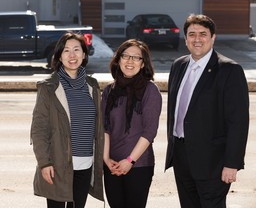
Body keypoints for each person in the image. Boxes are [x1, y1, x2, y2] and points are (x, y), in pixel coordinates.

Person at [165, 14, 249, 208]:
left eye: (203, 34)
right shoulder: (178, 66)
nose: (197, 39)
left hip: (213, 163)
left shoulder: (229, 70)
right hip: (181, 156)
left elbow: (238, 122)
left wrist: (232, 163)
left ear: (213, 37)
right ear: (185, 38)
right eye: (191, 34)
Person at [30, 32, 104, 208]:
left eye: (77, 50)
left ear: (84, 54)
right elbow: (39, 129)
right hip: (57, 164)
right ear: (59, 56)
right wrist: (44, 162)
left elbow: (98, 127)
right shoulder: (49, 87)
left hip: (85, 164)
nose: (72, 55)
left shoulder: (92, 86)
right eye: (66, 50)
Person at [101, 39, 162, 208]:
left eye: (136, 58)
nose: (130, 61)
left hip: (139, 165)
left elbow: (149, 132)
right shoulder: (109, 91)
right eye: (125, 56)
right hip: (111, 164)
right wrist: (106, 159)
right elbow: (104, 127)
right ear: (118, 59)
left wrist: (130, 161)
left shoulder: (150, 91)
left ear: (143, 64)